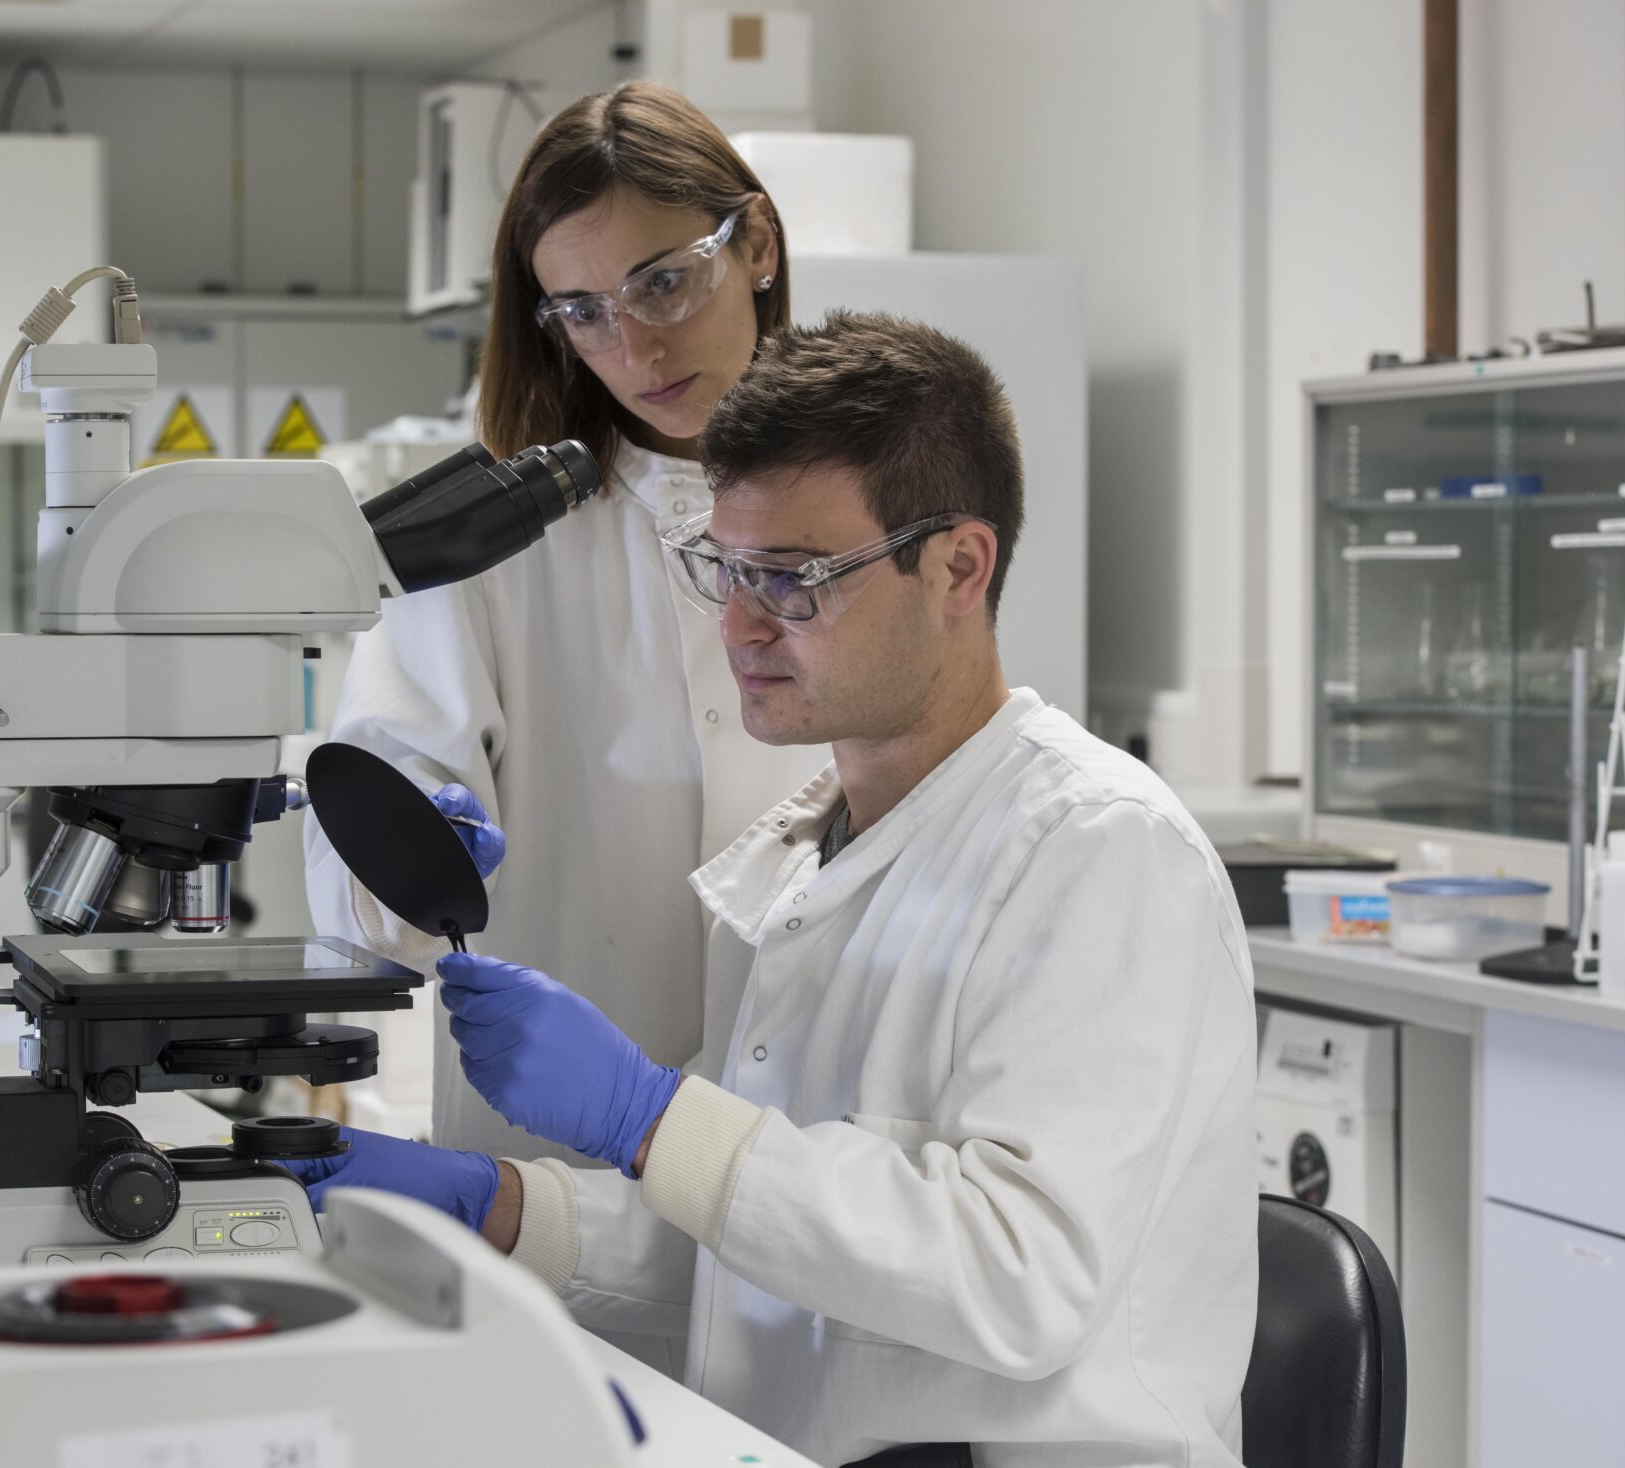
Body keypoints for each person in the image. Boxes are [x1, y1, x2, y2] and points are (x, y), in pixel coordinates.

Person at [285, 312, 1259, 1468]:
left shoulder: (1098, 847)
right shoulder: (813, 852)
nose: (739, 627)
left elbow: (1018, 1275)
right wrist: (499, 1205)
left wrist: (653, 1118)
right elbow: (764, 1249)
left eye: (794, 580)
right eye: (728, 571)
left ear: (958, 566)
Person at [304, 81, 828, 1166]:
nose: (636, 348)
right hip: (553, 1177)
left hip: (816, 1160)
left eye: (663, 283)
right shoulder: (488, 549)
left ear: (757, 244)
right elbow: (367, 911)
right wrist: (407, 848)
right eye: (583, 312)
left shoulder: (869, 512)